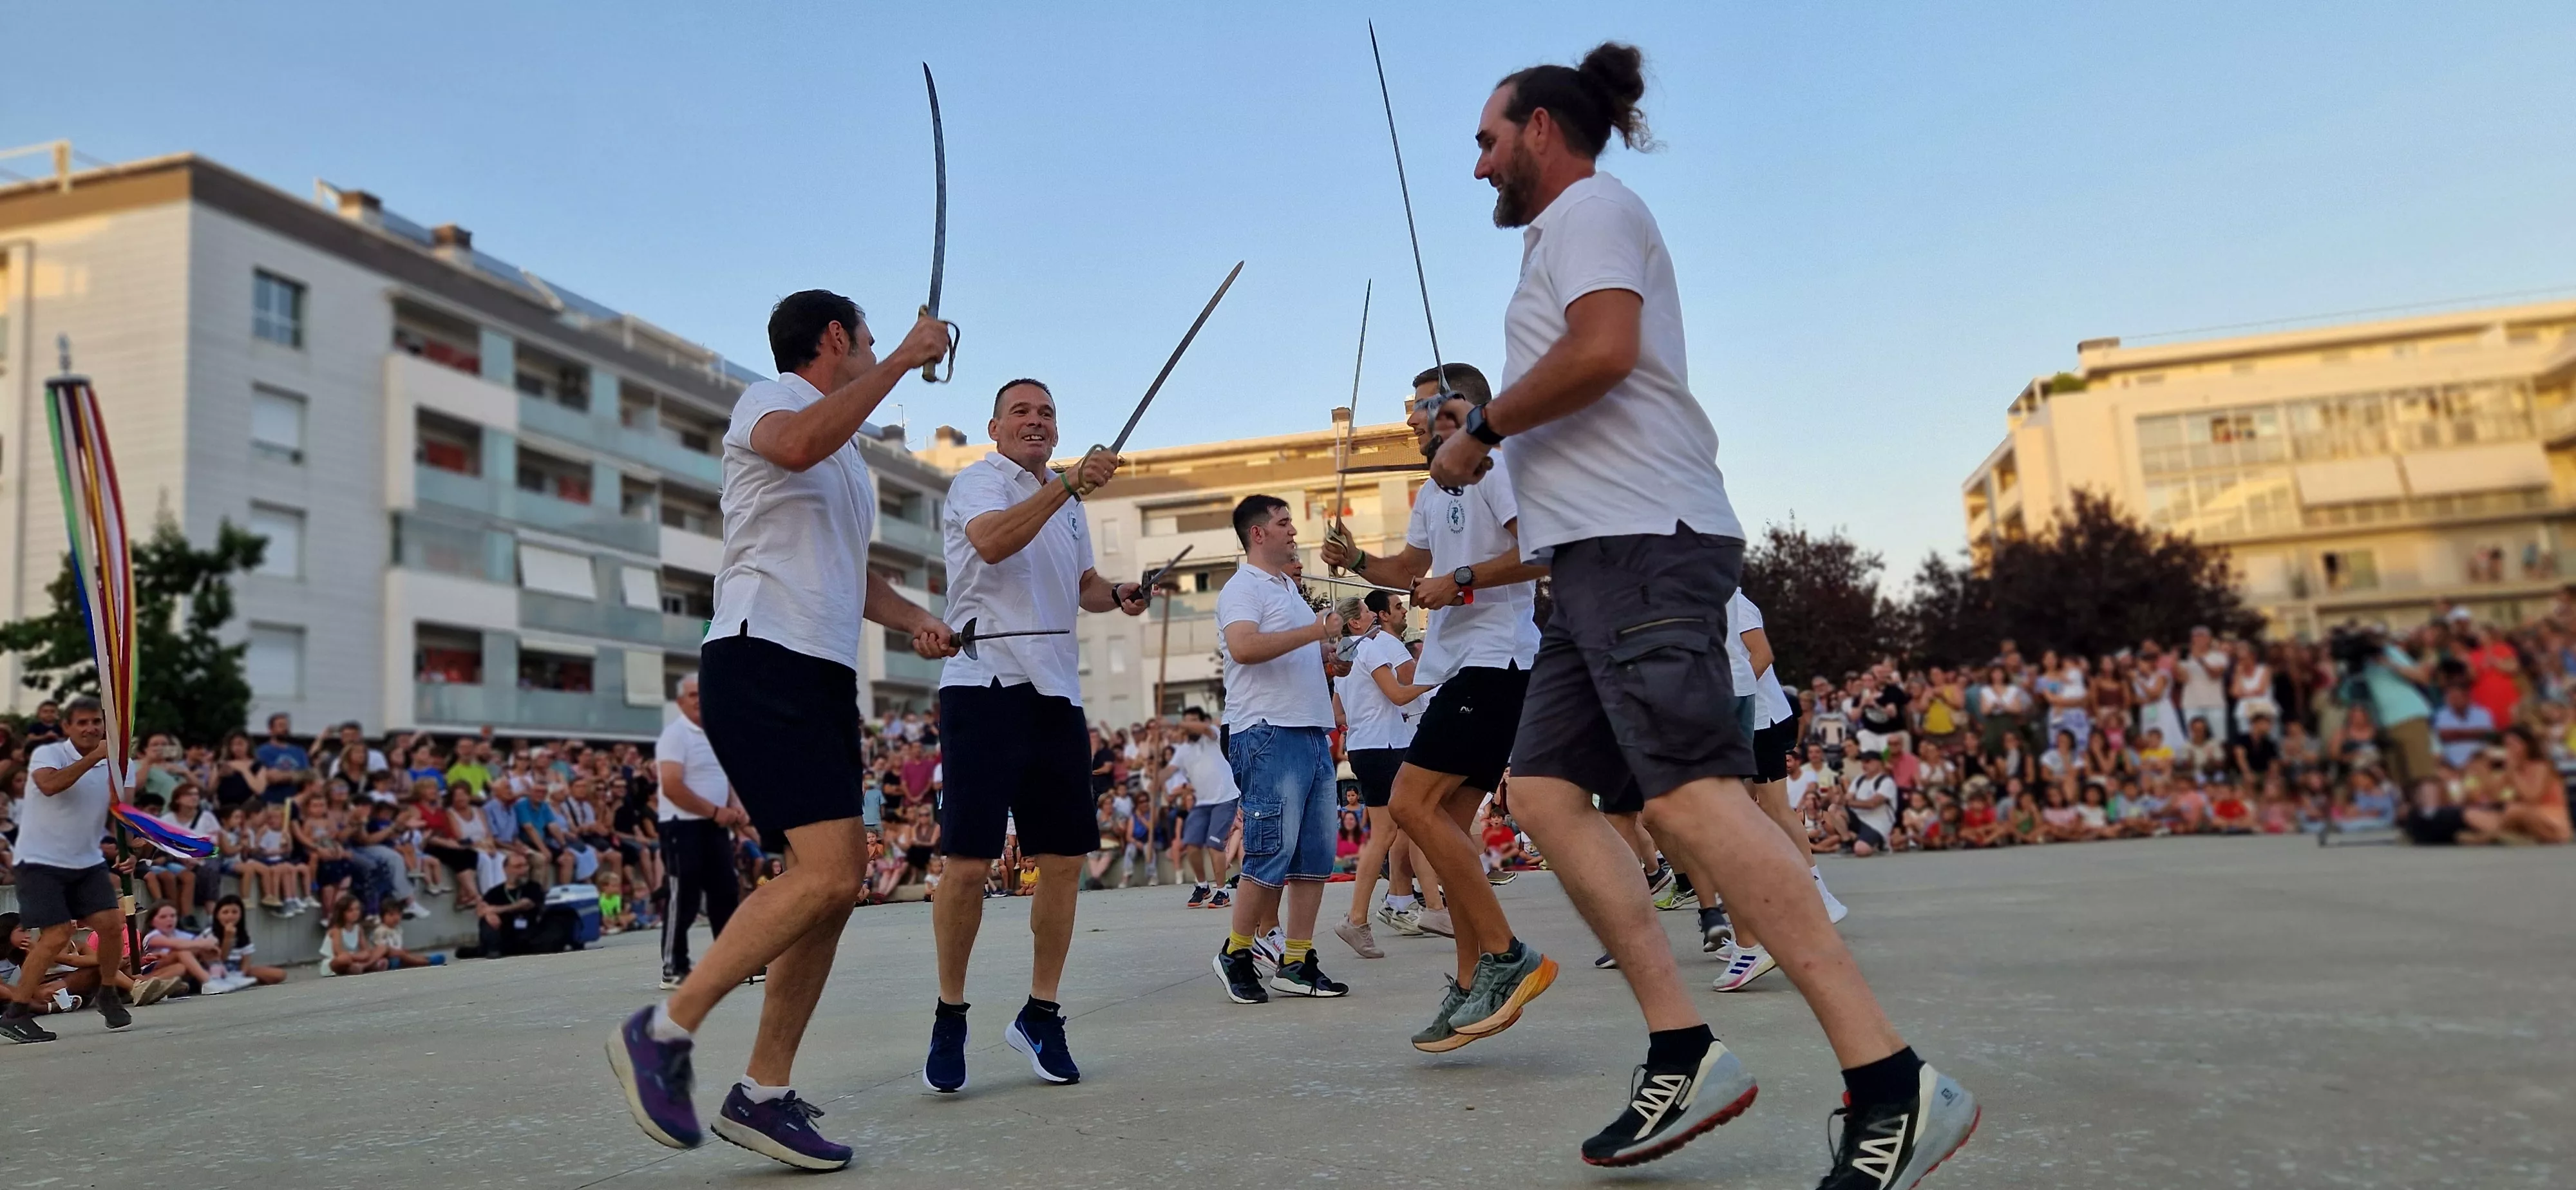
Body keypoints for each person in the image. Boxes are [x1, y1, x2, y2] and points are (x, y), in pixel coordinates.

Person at [1424, 44, 1974, 1180]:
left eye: (1487, 139)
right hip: (1587, 563)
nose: (1477, 166)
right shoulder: (1557, 236)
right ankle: (1684, 1046)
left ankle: (1892, 1076)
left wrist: (1481, 430)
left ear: (1539, 130)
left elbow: (1606, 348)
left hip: (1643, 541)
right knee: (1539, 790)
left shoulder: (1591, 209)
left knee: (1690, 799)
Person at [609, 288, 954, 1172]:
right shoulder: (776, 402)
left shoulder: (846, 459)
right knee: (830, 872)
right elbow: (799, 442)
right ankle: (661, 1030)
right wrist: (901, 361)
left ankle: (762, 1093)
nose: (881, 350)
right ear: (835, 339)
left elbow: (852, 571)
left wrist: (916, 616)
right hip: (764, 657)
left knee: (837, 883)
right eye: (869, 340)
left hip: (821, 671)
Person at [1321, 361, 1558, 1051]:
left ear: (1468, 408)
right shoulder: (1432, 487)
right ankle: (1466, 983)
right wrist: (1360, 559)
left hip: (1494, 660)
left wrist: (1458, 580)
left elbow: (1540, 553)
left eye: (1426, 405)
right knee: (1444, 829)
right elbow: (1405, 569)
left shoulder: (1498, 464)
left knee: (1409, 807)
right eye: (1411, 408)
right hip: (1462, 664)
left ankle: (1508, 957)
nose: (1414, 419)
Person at [922, 377, 1146, 1093]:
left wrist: (1117, 595)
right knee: (967, 862)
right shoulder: (977, 484)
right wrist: (1069, 485)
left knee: (1064, 860)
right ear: (995, 428)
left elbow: (1079, 583)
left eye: (1047, 412)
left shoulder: (1065, 499)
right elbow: (991, 544)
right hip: (982, 685)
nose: (1036, 421)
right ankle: (950, 1011)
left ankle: (1040, 1012)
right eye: (1021, 411)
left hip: (1055, 691)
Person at [1208, 495, 1350, 1004]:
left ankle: (1296, 959)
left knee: (1313, 857)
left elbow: (1297, 651)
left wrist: (1330, 655)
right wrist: (1315, 630)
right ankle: (1237, 952)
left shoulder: (1288, 588)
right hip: (1268, 732)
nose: (1294, 531)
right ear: (1257, 534)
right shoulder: (1242, 588)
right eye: (1284, 523)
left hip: (1310, 732)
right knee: (1269, 851)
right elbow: (1244, 647)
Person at [1, 698, 134, 1039]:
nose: (91, 728)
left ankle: (107, 992)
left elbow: (123, 813)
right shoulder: (49, 754)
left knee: (109, 923)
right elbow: (49, 786)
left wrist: (130, 851)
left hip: (86, 859)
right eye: (83, 722)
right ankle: (15, 1013)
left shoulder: (122, 764)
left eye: (96, 722)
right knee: (57, 933)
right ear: (67, 727)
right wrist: (95, 757)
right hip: (40, 860)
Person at [1328, 590, 1435, 961]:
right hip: (1385, 746)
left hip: (1365, 746)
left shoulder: (1344, 654)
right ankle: (1366, 915)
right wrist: (1440, 679)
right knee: (1394, 830)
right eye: (1367, 615)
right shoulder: (1369, 649)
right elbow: (1399, 696)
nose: (1375, 619)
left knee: (1390, 831)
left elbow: (1338, 712)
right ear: (1356, 623)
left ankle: (1369, 915)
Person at [655, 674, 743, 991]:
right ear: (680, 702)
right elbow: (673, 786)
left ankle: (730, 962)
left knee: (725, 892)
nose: (698, 699)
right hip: (682, 825)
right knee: (684, 896)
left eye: (701, 693)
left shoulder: (715, 733)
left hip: (714, 826)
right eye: (691, 695)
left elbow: (725, 777)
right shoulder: (676, 735)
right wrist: (716, 811)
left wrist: (734, 807)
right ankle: (673, 966)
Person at [1170, 708, 1239, 909]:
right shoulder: (1183, 749)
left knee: (1214, 842)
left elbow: (1202, 729)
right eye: (1187, 721)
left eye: (1193, 721)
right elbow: (1170, 771)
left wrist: (1174, 724)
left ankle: (1222, 891)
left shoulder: (1212, 735)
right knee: (1191, 843)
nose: (1190, 725)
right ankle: (1202, 887)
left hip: (1225, 798)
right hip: (1203, 803)